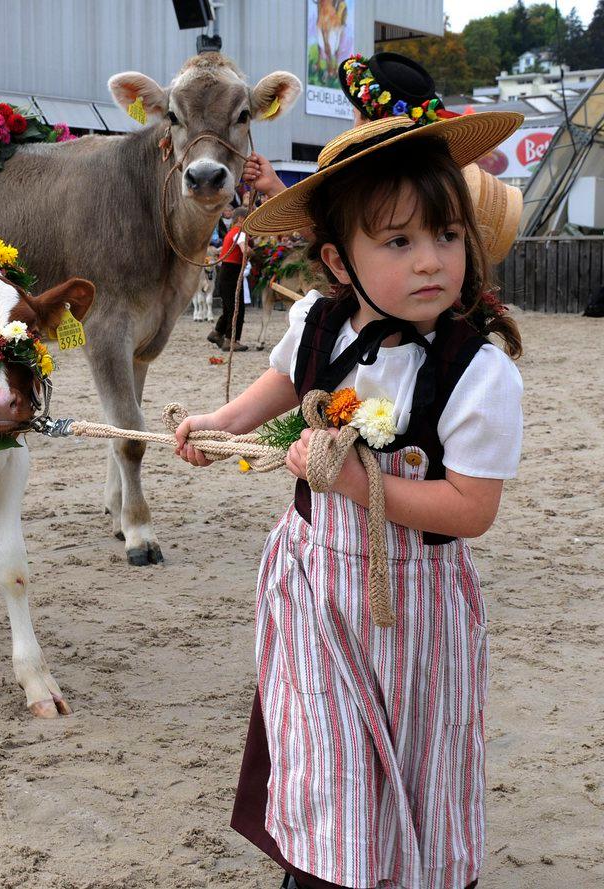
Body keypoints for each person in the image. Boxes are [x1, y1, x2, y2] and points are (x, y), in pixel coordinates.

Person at [175, 113, 525, 889]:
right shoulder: (319, 321)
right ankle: (322, 874)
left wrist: (363, 486)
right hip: (310, 585)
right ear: (339, 260)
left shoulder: (477, 375)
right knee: (323, 752)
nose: (432, 260)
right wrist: (223, 422)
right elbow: (285, 380)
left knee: (420, 760)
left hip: (414, 605)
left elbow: (471, 507)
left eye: (446, 235)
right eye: (398, 242)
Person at [207, 207, 250, 351]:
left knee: (229, 306)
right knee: (237, 308)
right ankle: (231, 340)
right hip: (232, 272)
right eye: (248, 217)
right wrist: (254, 253)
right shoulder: (240, 234)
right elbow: (245, 250)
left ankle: (217, 332)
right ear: (240, 219)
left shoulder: (231, 233)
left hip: (226, 271)